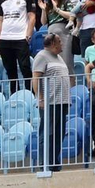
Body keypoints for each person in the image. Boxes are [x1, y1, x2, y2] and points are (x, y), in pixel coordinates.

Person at [33, 34, 73, 167]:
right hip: (50, 101)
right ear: (52, 44)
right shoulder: (42, 56)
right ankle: (44, 162)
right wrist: (40, 98)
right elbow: (36, 78)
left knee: (59, 133)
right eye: (59, 41)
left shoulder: (59, 57)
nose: (62, 43)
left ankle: (54, 161)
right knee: (47, 133)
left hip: (62, 101)